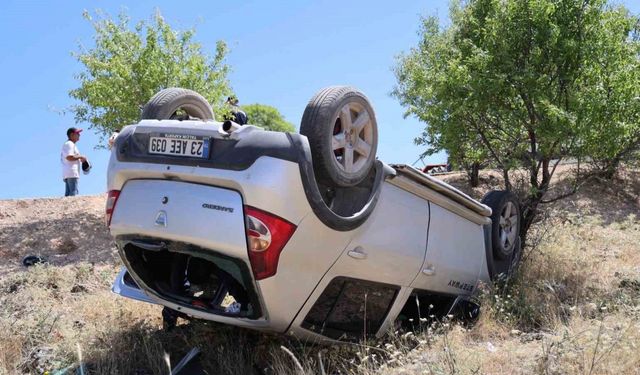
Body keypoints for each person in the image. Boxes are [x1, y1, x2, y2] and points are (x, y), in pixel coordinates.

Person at [61, 127, 88, 197]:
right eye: (77, 133)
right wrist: (81, 156)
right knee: (73, 194)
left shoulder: (70, 144)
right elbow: (69, 157)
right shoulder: (70, 144)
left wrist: (80, 158)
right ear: (72, 135)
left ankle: (66, 207)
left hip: (69, 173)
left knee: (68, 195)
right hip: (72, 172)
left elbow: (70, 157)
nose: (79, 135)